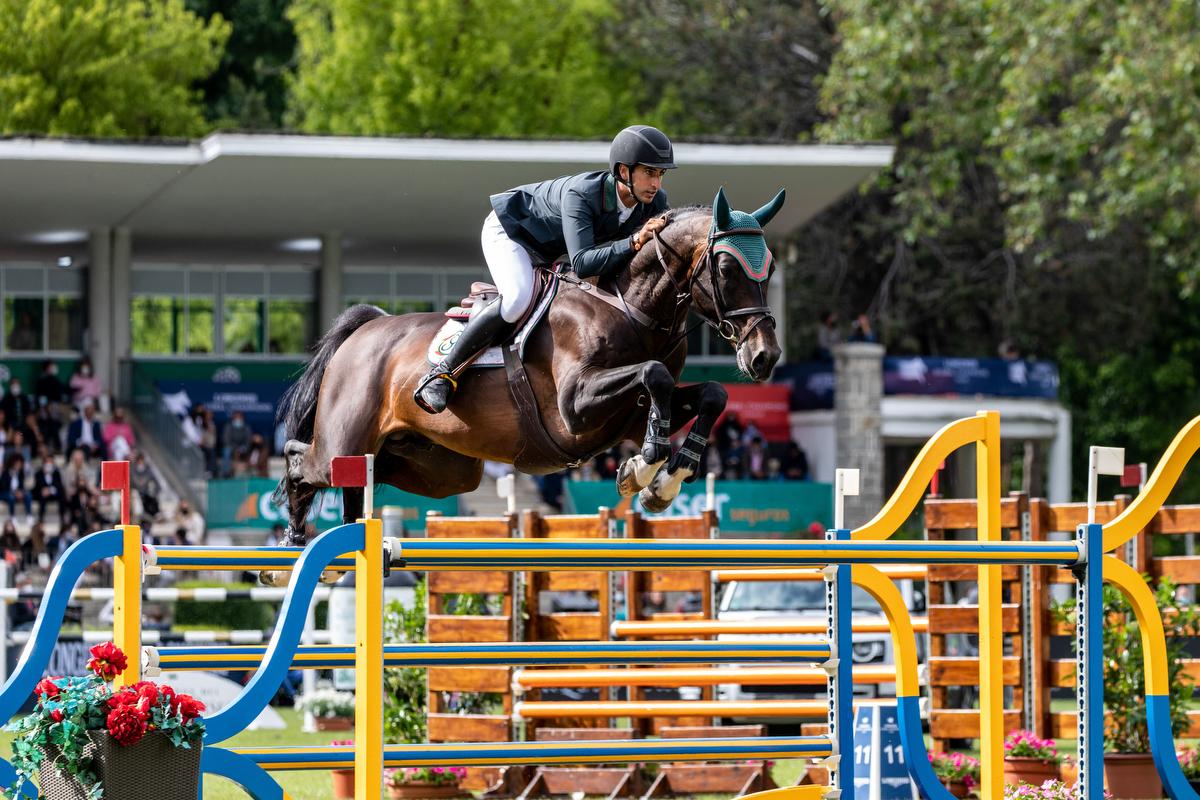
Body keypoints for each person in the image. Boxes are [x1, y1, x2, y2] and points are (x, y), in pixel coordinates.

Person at [414, 125, 676, 414]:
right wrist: (635, 241)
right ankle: (442, 373)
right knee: (516, 300)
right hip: (511, 233)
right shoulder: (583, 193)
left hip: (549, 251)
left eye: (660, 174)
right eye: (649, 173)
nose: (656, 184)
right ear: (624, 172)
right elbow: (584, 262)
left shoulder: (654, 203)